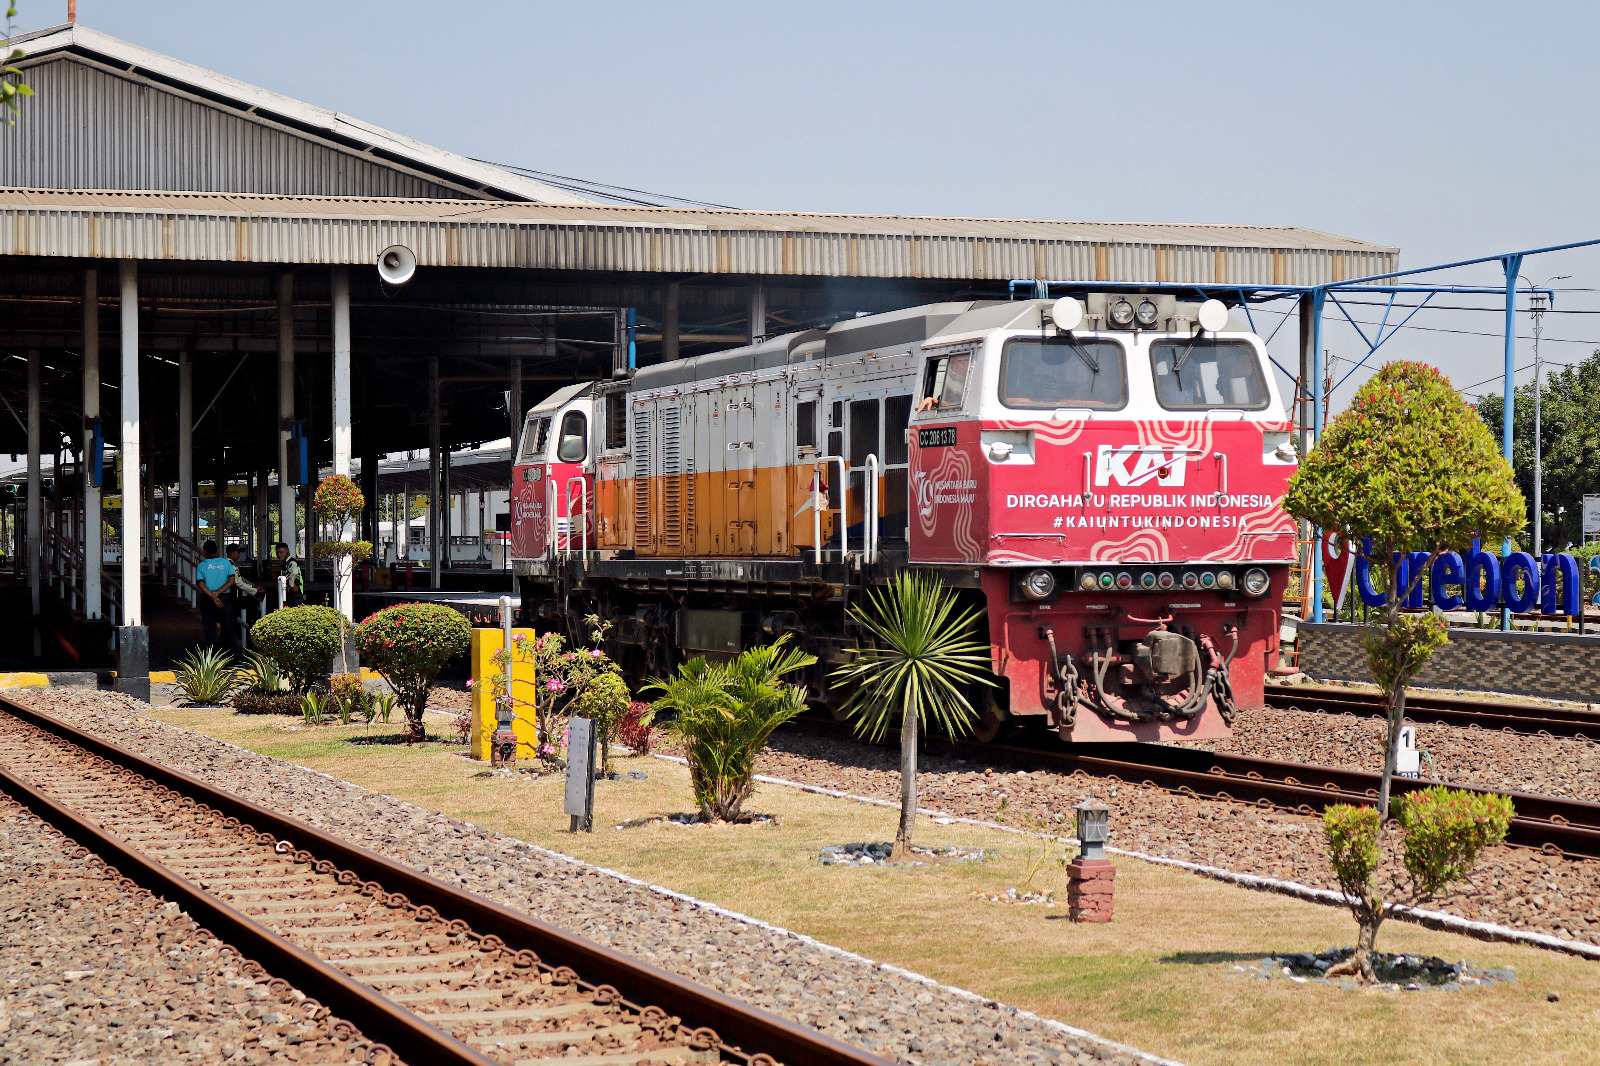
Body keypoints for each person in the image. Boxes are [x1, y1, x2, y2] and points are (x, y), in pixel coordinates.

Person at [195, 540, 240, 654]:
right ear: (216, 550)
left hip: (208, 599)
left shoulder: (202, 565)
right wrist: (218, 593)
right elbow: (231, 581)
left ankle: (212, 657)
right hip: (224, 598)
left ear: (205, 552)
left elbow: (201, 584)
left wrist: (212, 595)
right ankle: (234, 657)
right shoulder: (226, 563)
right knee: (228, 628)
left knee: (210, 630)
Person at [274, 541, 305, 608]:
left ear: (287, 552)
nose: (279, 555)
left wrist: (292, 584)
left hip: (296, 594)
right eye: (277, 553)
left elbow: (294, 572)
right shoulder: (285, 563)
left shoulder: (292, 562)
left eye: (281, 552)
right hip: (289, 594)